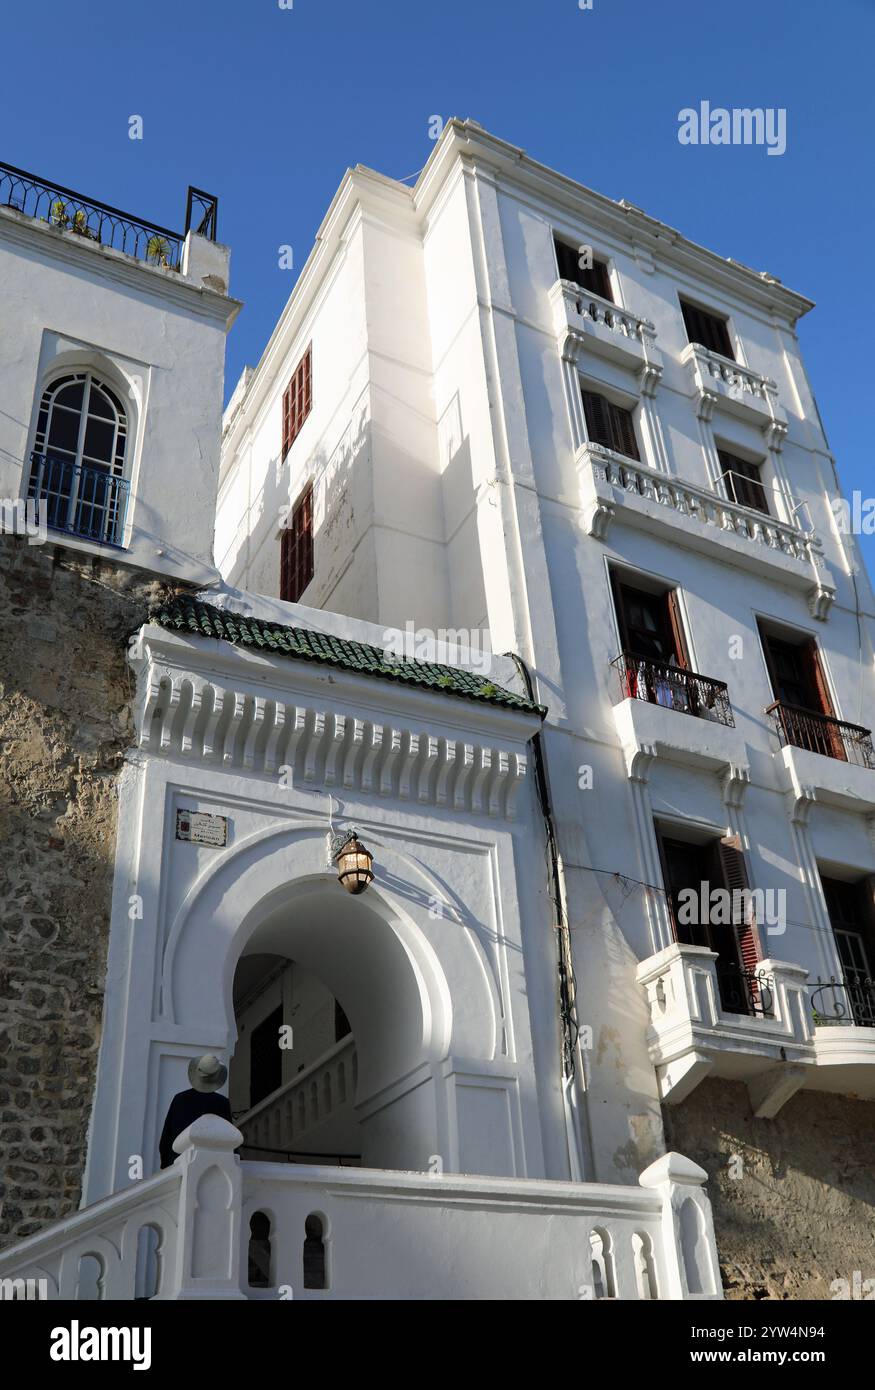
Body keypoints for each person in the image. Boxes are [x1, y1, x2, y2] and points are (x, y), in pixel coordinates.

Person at [158, 1054, 234, 1168]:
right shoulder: (222, 1103)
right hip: (211, 1164)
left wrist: (166, 1165)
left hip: (177, 1162)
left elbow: (166, 1140)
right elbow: (229, 1138)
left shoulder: (180, 1099)